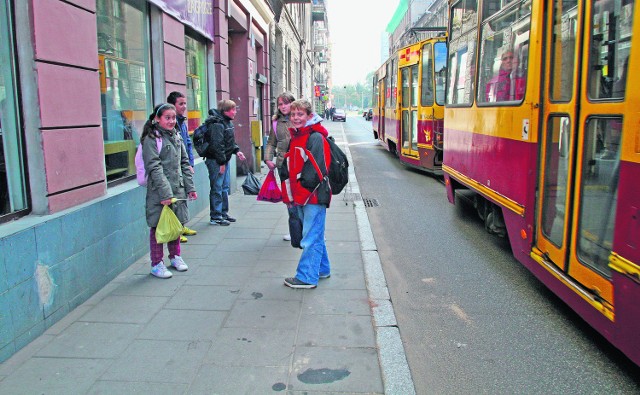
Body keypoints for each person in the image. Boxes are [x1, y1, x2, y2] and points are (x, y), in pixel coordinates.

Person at [142, 103, 197, 279]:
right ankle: (156, 263)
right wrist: (165, 194)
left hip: (178, 188)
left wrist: (190, 188)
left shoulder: (177, 136)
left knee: (177, 225)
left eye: (173, 118)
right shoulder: (152, 139)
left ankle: (175, 257)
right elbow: (154, 167)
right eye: (168, 117)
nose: (172, 121)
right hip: (159, 191)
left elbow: (184, 163)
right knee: (158, 227)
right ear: (157, 118)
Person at [280, 99, 331, 289]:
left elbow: (315, 172)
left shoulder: (315, 137)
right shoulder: (297, 135)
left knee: (310, 236)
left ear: (309, 116)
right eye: (293, 114)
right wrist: (290, 196)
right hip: (304, 196)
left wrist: (299, 198)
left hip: (313, 197)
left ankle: (307, 277)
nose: (295, 118)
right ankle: (322, 269)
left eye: (300, 114)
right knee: (314, 233)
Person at [205, 99, 246, 226]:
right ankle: (215, 216)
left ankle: (223, 213)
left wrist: (237, 150)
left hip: (223, 159)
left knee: (224, 187)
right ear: (225, 111)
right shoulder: (217, 124)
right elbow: (218, 145)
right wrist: (221, 163)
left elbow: (228, 142)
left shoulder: (226, 122)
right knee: (217, 188)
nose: (235, 112)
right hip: (216, 161)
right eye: (233, 110)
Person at [265, 92, 295, 241]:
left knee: (305, 197)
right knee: (289, 198)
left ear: (292, 103)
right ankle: (295, 229)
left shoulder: (299, 118)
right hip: (284, 165)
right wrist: (268, 158)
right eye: (280, 104)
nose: (283, 107)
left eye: (286, 103)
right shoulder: (276, 123)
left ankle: (310, 230)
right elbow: (271, 142)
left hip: (300, 165)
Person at [167, 91, 197, 242]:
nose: (184, 107)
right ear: (172, 105)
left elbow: (187, 143)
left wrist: (190, 163)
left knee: (185, 194)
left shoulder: (182, 122)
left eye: (185, 103)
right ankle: (177, 229)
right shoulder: (172, 123)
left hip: (184, 163)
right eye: (181, 104)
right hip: (174, 166)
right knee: (176, 197)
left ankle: (182, 225)